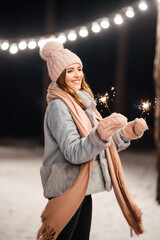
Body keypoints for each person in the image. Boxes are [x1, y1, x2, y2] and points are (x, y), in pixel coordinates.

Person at [37, 40, 148, 240]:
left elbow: (98, 147)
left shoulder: (82, 103)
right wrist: (101, 133)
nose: (77, 74)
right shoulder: (59, 107)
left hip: (81, 186)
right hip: (66, 189)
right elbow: (74, 152)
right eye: (69, 71)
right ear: (59, 76)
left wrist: (126, 133)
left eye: (79, 68)